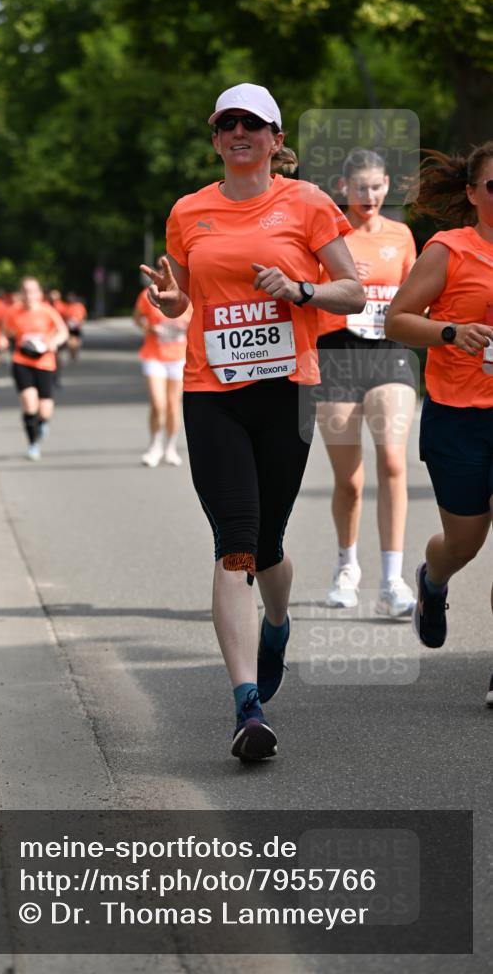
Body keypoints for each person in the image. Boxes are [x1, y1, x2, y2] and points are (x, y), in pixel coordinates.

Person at [141, 83, 365, 761]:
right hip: (213, 394)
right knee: (234, 541)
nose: (239, 132)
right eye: (226, 123)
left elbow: (353, 293)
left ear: (275, 139)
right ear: (215, 138)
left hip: (286, 391)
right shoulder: (188, 211)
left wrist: (299, 289)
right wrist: (170, 300)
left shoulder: (308, 203)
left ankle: (277, 622)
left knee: (267, 545)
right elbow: (180, 301)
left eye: (252, 124)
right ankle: (247, 706)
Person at [385, 141, 493, 705]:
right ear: (473, 194)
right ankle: (433, 581)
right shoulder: (449, 250)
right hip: (459, 417)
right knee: (463, 543)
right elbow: (397, 321)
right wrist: (452, 332)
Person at [315, 149, 418, 615]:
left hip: (388, 353)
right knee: (350, 481)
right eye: (360, 187)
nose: (369, 195)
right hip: (337, 355)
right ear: (344, 188)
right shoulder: (329, 235)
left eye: (377, 186)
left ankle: (393, 580)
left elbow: (417, 296)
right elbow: (307, 290)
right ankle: (347, 566)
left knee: (393, 461)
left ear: (387, 186)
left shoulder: (402, 235)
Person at [4, 277, 69, 460]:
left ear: (39, 293)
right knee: (28, 402)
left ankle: (42, 423)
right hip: (22, 361)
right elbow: (6, 332)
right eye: (25, 291)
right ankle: (33, 444)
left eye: (32, 291)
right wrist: (4, 340)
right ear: (20, 293)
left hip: (45, 363)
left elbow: (63, 332)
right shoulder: (13, 311)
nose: (28, 295)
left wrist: (54, 342)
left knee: (45, 410)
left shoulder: (47, 311)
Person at [133, 273, 193, 466]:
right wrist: (150, 328)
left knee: (173, 405)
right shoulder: (149, 294)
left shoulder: (189, 295)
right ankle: (155, 446)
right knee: (158, 404)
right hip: (154, 356)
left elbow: (199, 321)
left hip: (179, 357)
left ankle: (170, 448)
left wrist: (185, 327)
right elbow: (138, 319)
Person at [62, 293, 88, 361]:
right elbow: (64, 316)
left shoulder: (79, 306)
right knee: (70, 340)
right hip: (69, 326)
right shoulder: (66, 306)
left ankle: (74, 350)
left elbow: (84, 315)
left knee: (76, 339)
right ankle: (72, 351)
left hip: (77, 326)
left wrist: (81, 322)